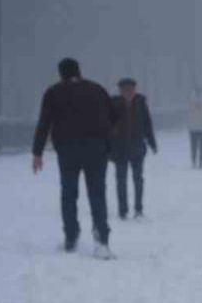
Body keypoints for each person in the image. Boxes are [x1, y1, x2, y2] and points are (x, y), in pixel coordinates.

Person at [31, 57, 116, 259]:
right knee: (97, 194)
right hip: (96, 150)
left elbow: (44, 122)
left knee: (69, 194)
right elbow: (113, 116)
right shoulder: (97, 89)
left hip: (68, 151)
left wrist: (37, 152)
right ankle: (101, 240)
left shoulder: (53, 93)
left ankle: (71, 236)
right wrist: (107, 145)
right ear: (80, 71)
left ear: (61, 74)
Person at [110, 78, 157, 219]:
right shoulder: (113, 104)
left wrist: (152, 143)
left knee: (138, 179)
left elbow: (147, 124)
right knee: (121, 180)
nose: (129, 93)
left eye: (131, 90)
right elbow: (106, 126)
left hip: (137, 148)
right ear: (121, 91)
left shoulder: (141, 103)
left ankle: (138, 208)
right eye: (126, 90)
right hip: (119, 149)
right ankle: (123, 210)